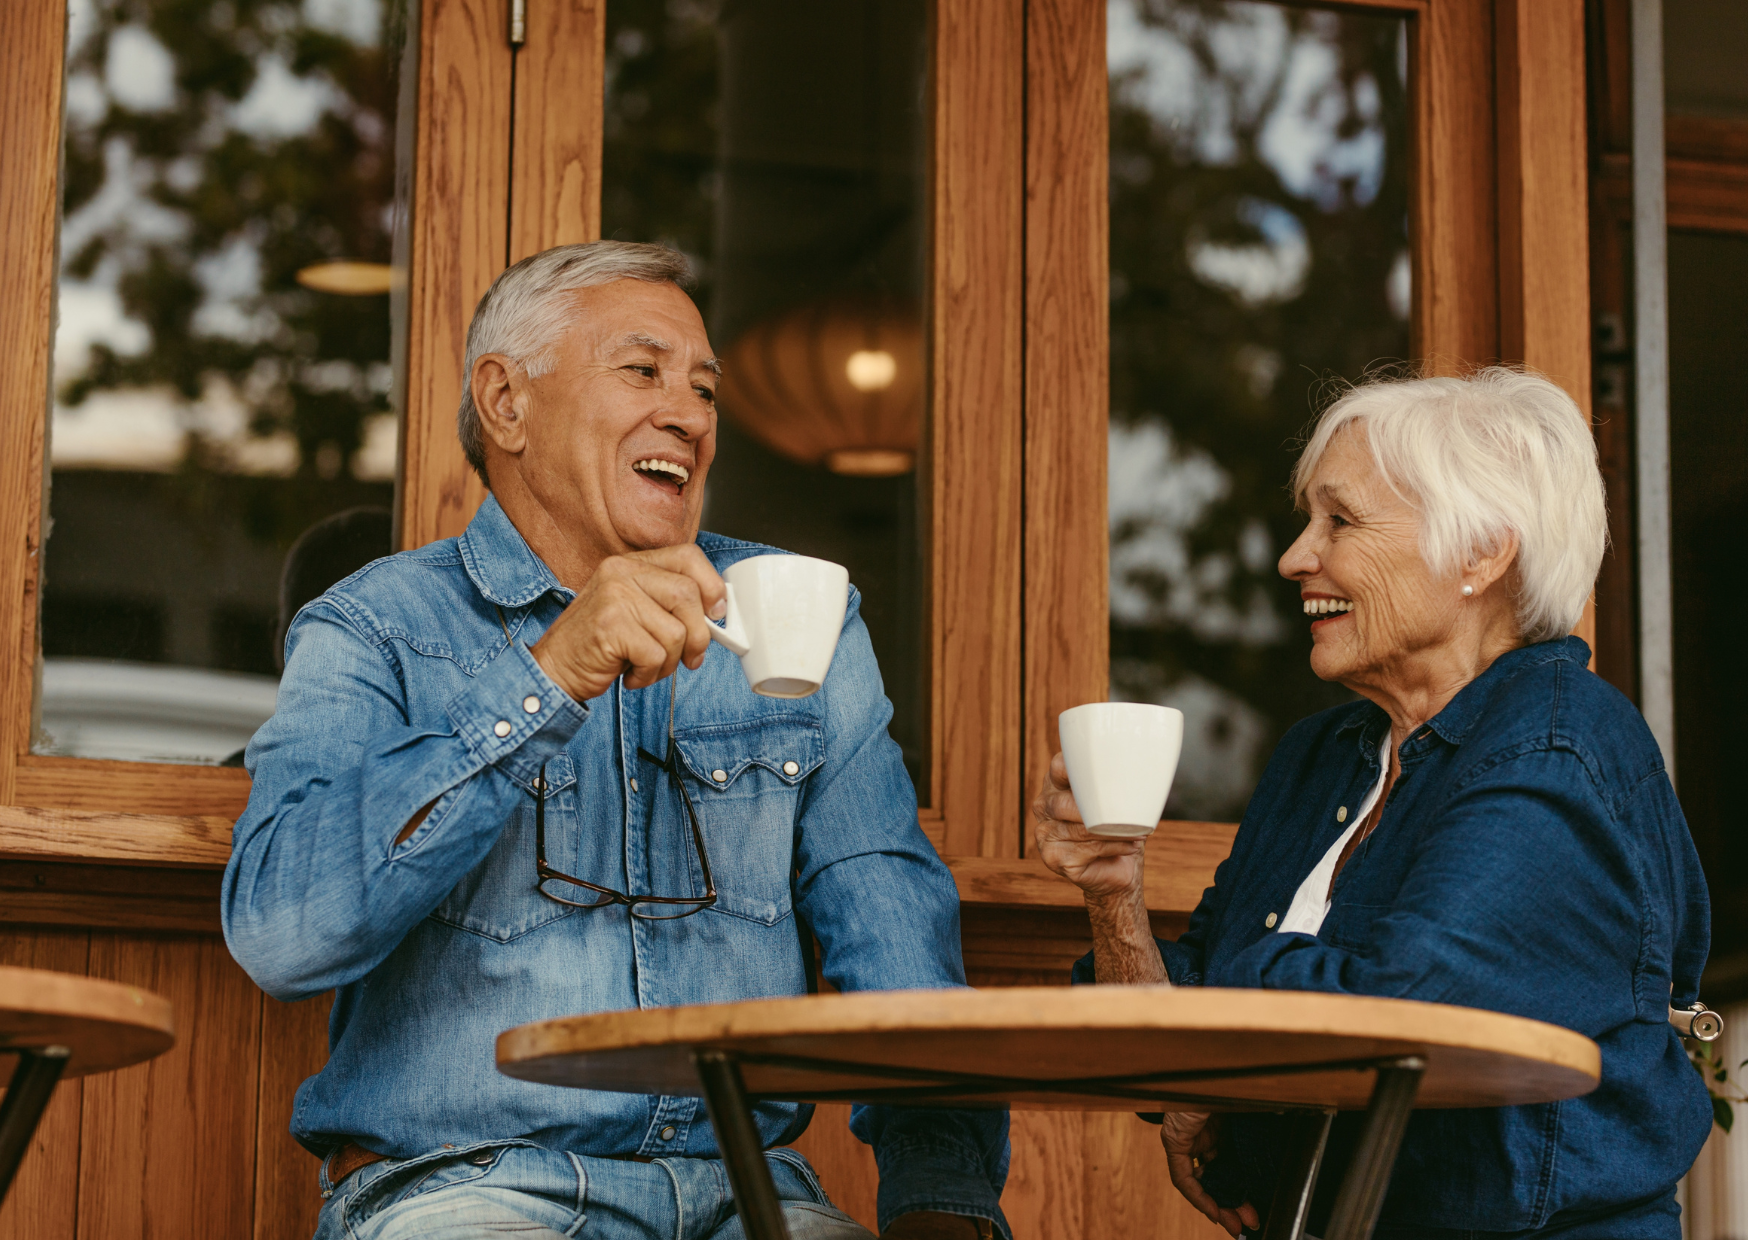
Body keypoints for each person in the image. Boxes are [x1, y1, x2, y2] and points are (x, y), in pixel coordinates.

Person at [223, 241, 1009, 1240]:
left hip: (749, 1197)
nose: (689, 415)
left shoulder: (795, 617)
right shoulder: (373, 626)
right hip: (466, 1190)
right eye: (642, 371)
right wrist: (549, 674)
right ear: (505, 402)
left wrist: (941, 1197)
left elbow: (893, 931)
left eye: (704, 389)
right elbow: (283, 932)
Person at [1034, 368, 1711, 1239]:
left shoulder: (1554, 743)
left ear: (1481, 553)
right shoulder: (1320, 757)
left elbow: (1398, 1013)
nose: (1294, 557)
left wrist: (1213, 1041)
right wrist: (1114, 893)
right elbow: (1169, 1037)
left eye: (1340, 521)